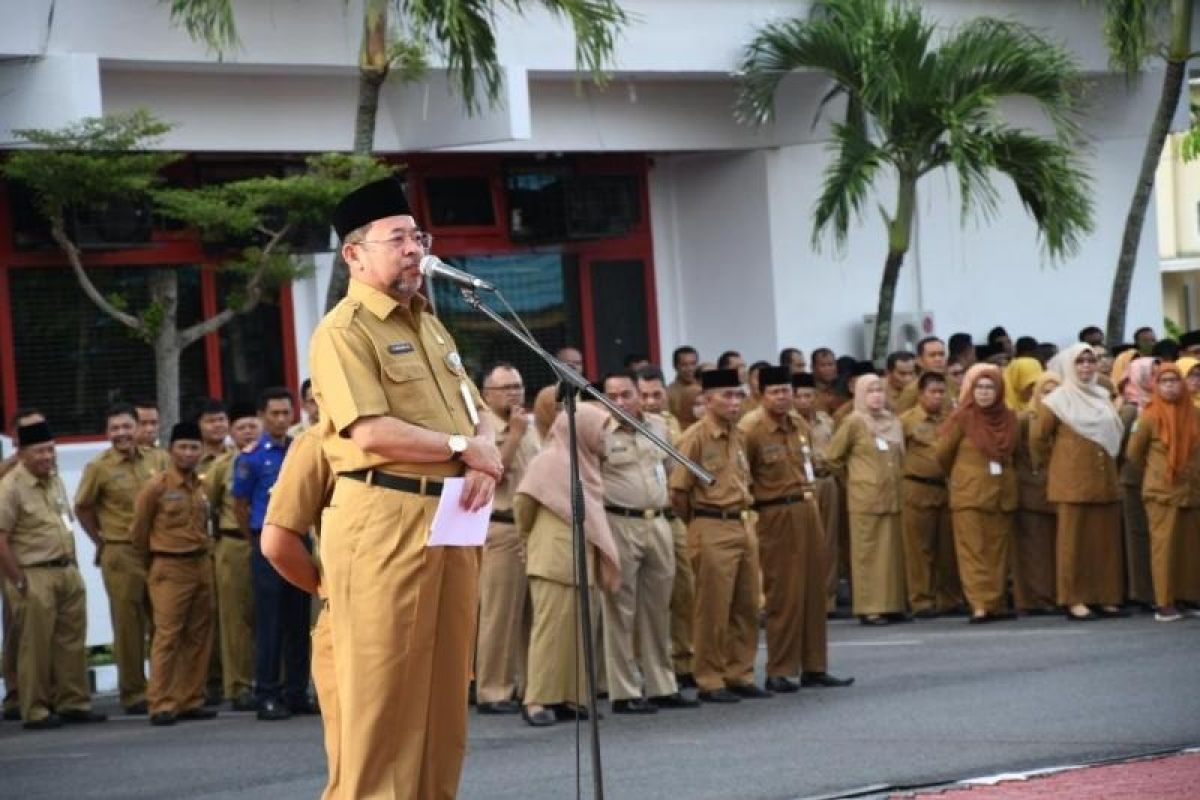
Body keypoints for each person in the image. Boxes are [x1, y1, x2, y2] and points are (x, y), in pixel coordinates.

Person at [309, 176, 501, 797]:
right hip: (384, 525)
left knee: (445, 700)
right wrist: (460, 448)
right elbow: (370, 431)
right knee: (385, 708)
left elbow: (477, 410)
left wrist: (483, 452)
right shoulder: (344, 332)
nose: (414, 249)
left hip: (450, 520)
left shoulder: (433, 326)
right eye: (398, 239)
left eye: (416, 236)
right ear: (354, 254)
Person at [740, 366, 853, 692]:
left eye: (786, 391)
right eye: (775, 392)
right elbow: (743, 476)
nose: (782, 397)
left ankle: (815, 666)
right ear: (761, 394)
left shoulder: (799, 424)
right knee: (785, 595)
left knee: (814, 591)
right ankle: (780, 669)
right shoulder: (751, 429)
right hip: (775, 513)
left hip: (807, 508)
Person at [515, 403, 620, 725]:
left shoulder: (586, 466)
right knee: (550, 633)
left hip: (582, 559)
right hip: (553, 559)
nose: (606, 439)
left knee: (580, 632)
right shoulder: (547, 462)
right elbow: (523, 506)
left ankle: (573, 698)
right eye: (602, 431)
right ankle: (537, 701)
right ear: (583, 430)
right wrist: (532, 540)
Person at [0, 419, 107, 730]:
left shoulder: (55, 480)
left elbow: (65, 522)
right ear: (21, 453)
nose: (47, 457)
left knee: (71, 640)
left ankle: (73, 702)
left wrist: (73, 566)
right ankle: (35, 709)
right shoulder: (10, 487)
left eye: (50, 450)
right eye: (39, 451)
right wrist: (17, 579)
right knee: (34, 645)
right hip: (33, 574)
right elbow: (1, 538)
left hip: (66, 569)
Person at [600, 372, 695, 712]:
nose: (619, 402)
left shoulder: (657, 426)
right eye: (612, 395)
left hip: (658, 522)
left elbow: (670, 471)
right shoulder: (599, 430)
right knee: (620, 609)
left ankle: (661, 684)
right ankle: (625, 691)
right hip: (619, 521)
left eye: (627, 394)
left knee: (658, 607)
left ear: (641, 396)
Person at [669, 368, 765, 703]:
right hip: (710, 523)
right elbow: (678, 492)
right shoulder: (695, 437)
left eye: (738, 395)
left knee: (747, 604)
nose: (735, 402)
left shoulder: (740, 436)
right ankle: (710, 677)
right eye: (727, 395)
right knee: (712, 607)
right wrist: (699, 524)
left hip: (742, 522)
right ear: (707, 400)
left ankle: (740, 672)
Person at [259, 425, 338, 798]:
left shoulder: (425, 442)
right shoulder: (316, 444)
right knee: (359, 760)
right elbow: (277, 541)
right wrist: (326, 589)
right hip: (350, 613)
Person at [75, 402, 167, 714]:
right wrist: (100, 541)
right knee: (128, 625)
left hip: (157, 551)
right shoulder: (99, 467)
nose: (122, 434)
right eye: (115, 428)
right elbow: (83, 507)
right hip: (120, 551)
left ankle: (164, 687)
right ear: (107, 432)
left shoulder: (158, 459)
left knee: (163, 621)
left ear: (138, 427)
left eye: (127, 427)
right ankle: (134, 693)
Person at [130, 422, 218, 726]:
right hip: (169, 565)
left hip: (200, 564)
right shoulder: (156, 487)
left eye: (194, 447)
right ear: (170, 451)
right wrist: (154, 565)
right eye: (182, 447)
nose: (189, 453)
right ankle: (161, 702)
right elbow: (138, 532)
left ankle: (190, 698)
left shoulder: (202, 485)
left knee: (198, 634)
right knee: (166, 636)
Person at [234, 387, 313, 721]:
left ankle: (296, 692)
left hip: (300, 541)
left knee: (299, 621)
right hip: (267, 544)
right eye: (274, 413)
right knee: (270, 623)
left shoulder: (301, 449)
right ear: (263, 417)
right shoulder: (251, 456)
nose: (281, 419)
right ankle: (267, 693)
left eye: (286, 413)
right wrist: (254, 539)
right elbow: (239, 504)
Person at [1031, 344, 1126, 621]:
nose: (1086, 367)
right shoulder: (1057, 401)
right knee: (1073, 544)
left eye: (1091, 361)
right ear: (1069, 367)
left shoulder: (1102, 396)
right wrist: (1061, 464)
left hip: (1104, 478)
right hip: (1072, 482)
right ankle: (1074, 599)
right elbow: (1038, 440)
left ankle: (1105, 596)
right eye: (1080, 362)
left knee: (1104, 542)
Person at [475, 362, 540, 715]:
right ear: (487, 394)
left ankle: (529, 685)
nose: (515, 392)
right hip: (500, 526)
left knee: (532, 612)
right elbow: (490, 475)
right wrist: (512, 435)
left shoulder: (531, 426)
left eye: (518, 385)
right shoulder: (483, 427)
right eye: (505, 388)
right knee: (500, 613)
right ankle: (493, 690)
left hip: (534, 528)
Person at [936, 365, 1019, 623]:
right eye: (979, 387)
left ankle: (996, 603)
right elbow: (942, 454)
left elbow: (1015, 452)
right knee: (973, 551)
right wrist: (964, 476)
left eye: (990, 387)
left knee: (998, 550)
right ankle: (979, 603)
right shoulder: (963, 418)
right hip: (970, 494)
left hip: (1001, 492)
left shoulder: (1010, 418)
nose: (984, 393)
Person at [825, 375, 907, 625]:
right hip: (865, 498)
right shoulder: (854, 422)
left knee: (892, 553)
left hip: (892, 495)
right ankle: (870, 607)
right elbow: (833, 458)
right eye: (870, 391)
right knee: (868, 553)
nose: (877, 395)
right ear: (860, 394)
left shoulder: (893, 422)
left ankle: (893, 604)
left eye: (880, 390)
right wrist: (854, 480)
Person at [1124, 364, 1200, 621]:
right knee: (1164, 547)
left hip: (1191, 490)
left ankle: (1187, 595)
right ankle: (1164, 601)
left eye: (1175, 381)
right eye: (1164, 381)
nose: (1170, 386)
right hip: (1162, 492)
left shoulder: (1194, 414)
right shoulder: (1149, 416)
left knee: (1189, 548)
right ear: (1156, 385)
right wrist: (1158, 472)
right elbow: (1134, 454)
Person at [637, 366, 697, 687]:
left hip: (674, 517)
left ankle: (685, 659)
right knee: (649, 598)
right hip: (646, 517)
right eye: (643, 395)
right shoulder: (633, 426)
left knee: (685, 589)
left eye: (655, 394)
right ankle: (648, 666)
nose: (649, 401)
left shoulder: (672, 427)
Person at [203, 401, 259, 712]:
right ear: (232, 433)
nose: (248, 431)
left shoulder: (277, 457)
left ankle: (270, 681)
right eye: (241, 427)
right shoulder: (222, 466)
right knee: (235, 618)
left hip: (268, 543)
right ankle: (238, 686)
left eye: (252, 425)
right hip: (234, 544)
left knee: (269, 615)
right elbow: (207, 506)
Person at [899, 372, 961, 617]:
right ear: (921, 394)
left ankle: (950, 599)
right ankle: (921, 600)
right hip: (917, 488)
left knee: (947, 548)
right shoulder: (907, 421)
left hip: (946, 489)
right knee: (919, 549)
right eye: (932, 392)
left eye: (941, 392)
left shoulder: (951, 419)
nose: (937, 397)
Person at [1, 408, 46, 722]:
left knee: (32, 625)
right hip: (10, 554)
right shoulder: (8, 473)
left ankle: (43, 690)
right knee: (16, 626)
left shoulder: (45, 469)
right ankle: (16, 693)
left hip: (33, 556)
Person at [792, 372, 842, 612]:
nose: (805, 401)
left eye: (809, 396)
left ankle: (828, 598)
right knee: (803, 542)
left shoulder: (827, 421)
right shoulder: (789, 424)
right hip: (803, 485)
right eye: (800, 396)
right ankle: (805, 597)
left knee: (829, 540)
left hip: (827, 480)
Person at [1012, 373, 1061, 614]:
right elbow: (1014, 454)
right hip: (1031, 492)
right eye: (1045, 391)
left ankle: (1053, 595)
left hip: (1060, 491)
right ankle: (1033, 599)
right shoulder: (1024, 419)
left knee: (1054, 549)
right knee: (1034, 551)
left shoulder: (1066, 419)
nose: (1050, 397)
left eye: (1055, 392)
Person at [196, 399, 231, 706]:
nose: (217, 426)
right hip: (204, 546)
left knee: (234, 616)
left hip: (229, 545)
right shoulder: (192, 460)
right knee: (208, 616)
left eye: (221, 420)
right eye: (210, 421)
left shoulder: (237, 457)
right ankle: (211, 681)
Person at [1117, 357, 1157, 609]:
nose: (1155, 379)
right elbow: (1120, 447)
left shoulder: (1156, 406)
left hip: (1152, 479)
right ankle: (1142, 592)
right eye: (1150, 374)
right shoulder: (1131, 408)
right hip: (1133, 480)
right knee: (1138, 537)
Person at [533, 346, 585, 440]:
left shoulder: (590, 393)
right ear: (557, 366)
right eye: (568, 363)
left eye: (578, 363)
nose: (574, 367)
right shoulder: (547, 395)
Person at [895, 337, 952, 414]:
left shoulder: (952, 383)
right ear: (919, 361)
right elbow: (901, 420)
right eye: (932, 355)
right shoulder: (912, 390)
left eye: (941, 354)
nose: (938, 359)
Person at [668, 346, 701, 427]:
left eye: (693, 364)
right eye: (684, 365)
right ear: (675, 366)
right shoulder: (668, 393)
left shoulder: (705, 388)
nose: (690, 368)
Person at [811, 348, 848, 415]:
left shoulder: (842, 390)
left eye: (831, 364)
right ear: (813, 368)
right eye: (823, 365)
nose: (828, 369)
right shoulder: (809, 394)